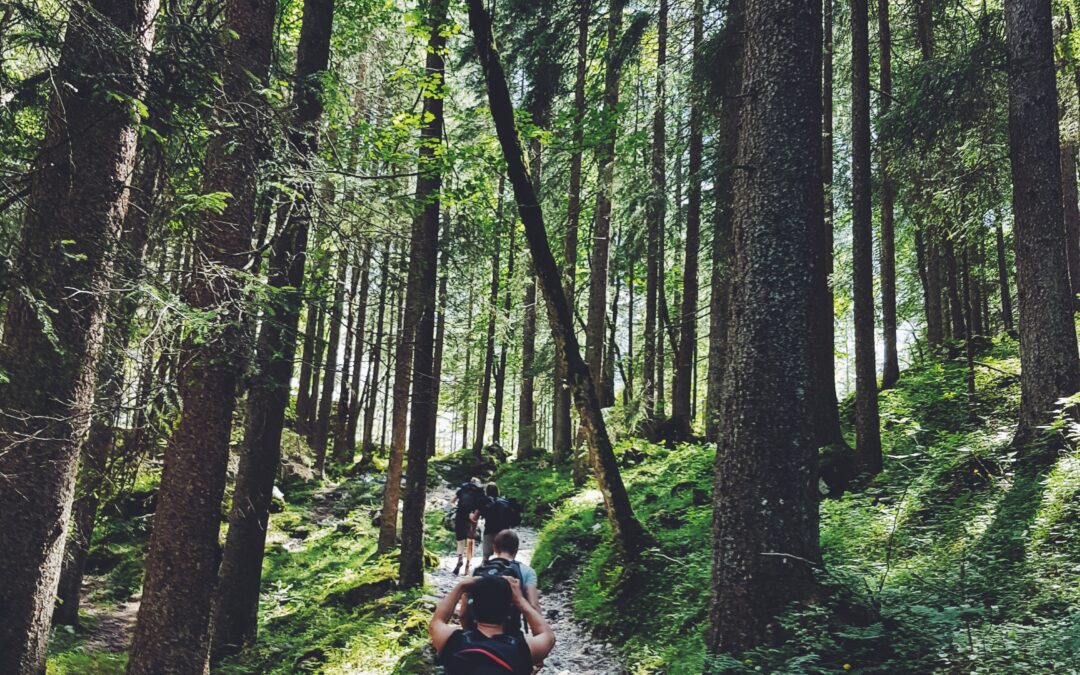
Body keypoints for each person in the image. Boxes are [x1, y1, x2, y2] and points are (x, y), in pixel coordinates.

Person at [430, 575, 555, 675]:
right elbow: (548, 635)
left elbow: (437, 620)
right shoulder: (522, 648)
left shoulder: (451, 640)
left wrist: (461, 587)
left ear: (473, 609)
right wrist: (520, 600)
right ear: (508, 612)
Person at [476, 483, 522, 562]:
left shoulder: (484, 502)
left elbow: (475, 517)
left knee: (486, 557)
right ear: (497, 491)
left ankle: (484, 569)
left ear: (487, 491)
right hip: (503, 532)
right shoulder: (505, 502)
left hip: (489, 530)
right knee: (503, 554)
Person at [451, 477, 484, 575]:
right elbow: (480, 506)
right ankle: (467, 565)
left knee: (460, 540)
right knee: (470, 541)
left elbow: (452, 502)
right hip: (472, 516)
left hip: (460, 515)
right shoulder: (479, 492)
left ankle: (460, 559)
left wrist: (457, 507)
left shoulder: (462, 489)